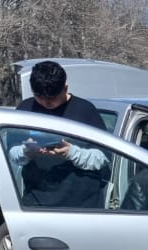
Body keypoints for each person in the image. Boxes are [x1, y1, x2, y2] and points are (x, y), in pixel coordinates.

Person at [9, 60, 109, 208]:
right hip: (36, 201)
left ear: (65, 88)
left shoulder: (85, 110)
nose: (46, 103)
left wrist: (72, 153)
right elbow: (11, 153)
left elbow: (104, 157)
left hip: (83, 204)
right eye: (40, 97)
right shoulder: (25, 109)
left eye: (52, 98)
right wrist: (27, 152)